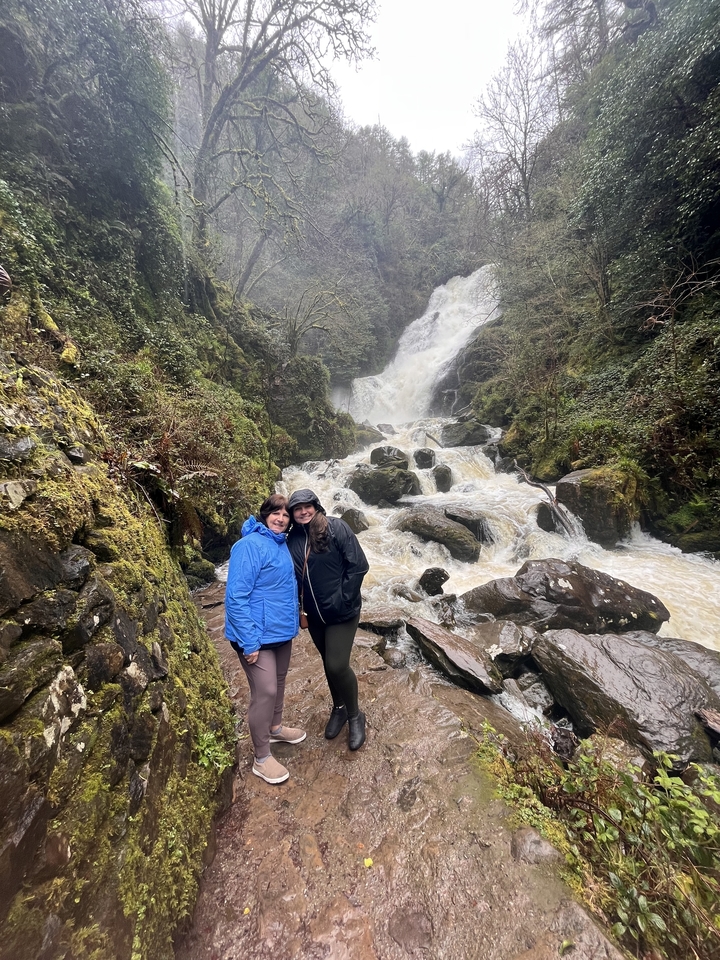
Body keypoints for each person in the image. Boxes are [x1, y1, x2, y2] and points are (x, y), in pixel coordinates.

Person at [225, 493, 305, 784]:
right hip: (254, 635)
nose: (281, 518)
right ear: (264, 515)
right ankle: (261, 757)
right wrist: (249, 642)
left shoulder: (280, 543)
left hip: (280, 631)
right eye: (275, 513)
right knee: (266, 690)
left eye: (285, 514)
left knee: (279, 681)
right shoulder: (248, 546)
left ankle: (275, 728)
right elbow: (235, 597)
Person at [287, 488, 369, 751]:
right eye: (297, 508)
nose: (303, 511)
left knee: (336, 665)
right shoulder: (291, 539)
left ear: (316, 506)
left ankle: (356, 715)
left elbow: (358, 565)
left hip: (342, 612)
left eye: (307, 506)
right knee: (327, 661)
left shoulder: (336, 528)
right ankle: (339, 707)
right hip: (314, 615)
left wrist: (343, 598)